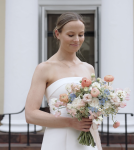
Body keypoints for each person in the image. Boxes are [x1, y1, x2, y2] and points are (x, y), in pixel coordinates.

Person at [25, 12, 99, 150]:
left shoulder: (89, 68)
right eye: (71, 35)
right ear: (57, 34)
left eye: (81, 34)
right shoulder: (44, 68)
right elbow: (30, 114)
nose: (77, 39)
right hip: (58, 139)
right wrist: (70, 122)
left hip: (86, 141)